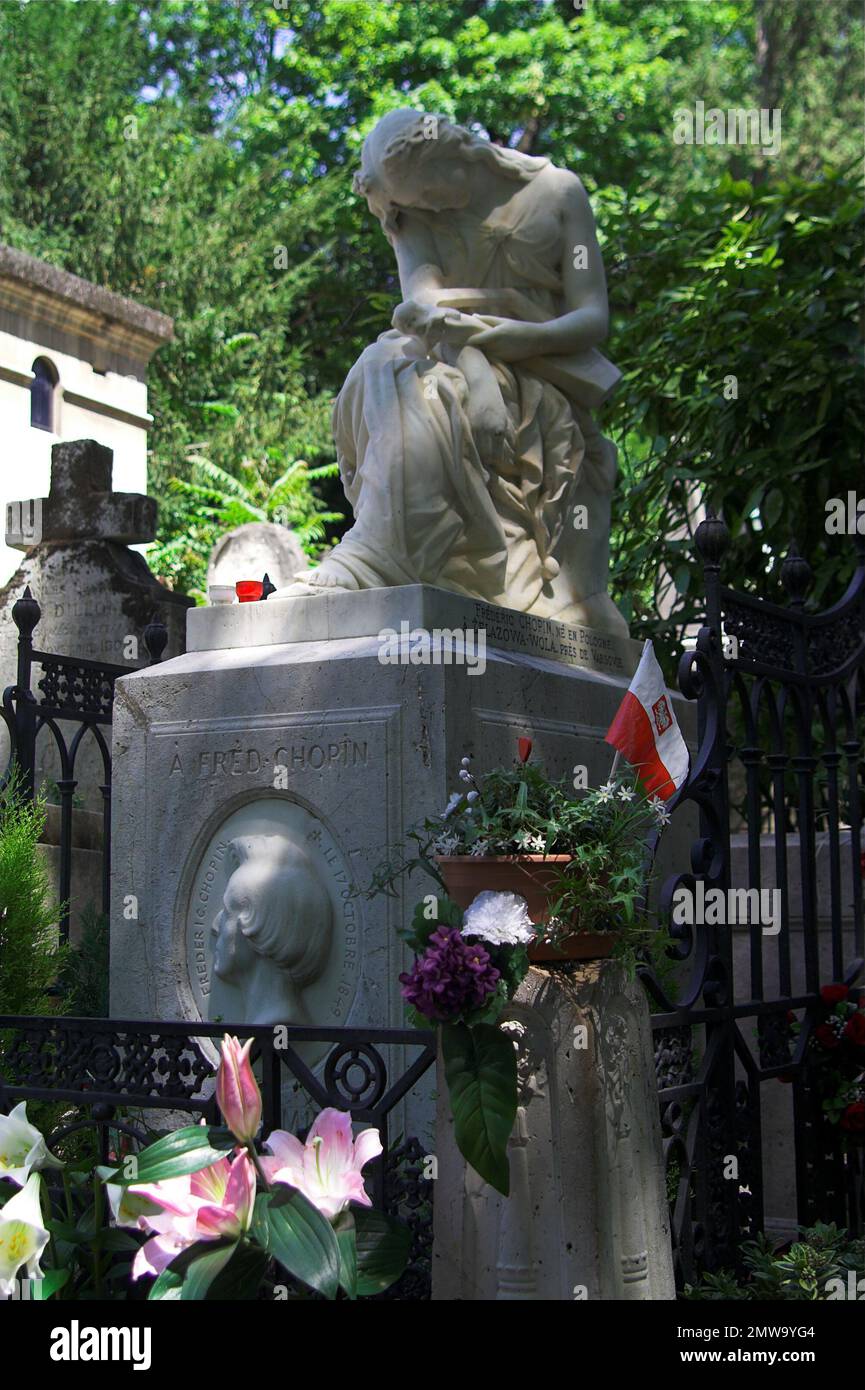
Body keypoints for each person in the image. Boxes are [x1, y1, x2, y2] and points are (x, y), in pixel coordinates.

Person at [275, 108, 627, 636]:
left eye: (432, 192)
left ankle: (379, 561)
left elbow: (591, 319)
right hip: (456, 359)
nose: (431, 208)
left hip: (540, 374)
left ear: (456, 149)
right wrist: (480, 369)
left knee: (425, 389)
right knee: (387, 366)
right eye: (417, 204)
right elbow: (425, 314)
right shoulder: (409, 210)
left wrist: (512, 340)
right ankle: (376, 555)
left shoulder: (559, 193)